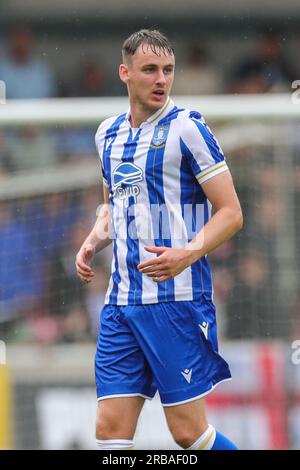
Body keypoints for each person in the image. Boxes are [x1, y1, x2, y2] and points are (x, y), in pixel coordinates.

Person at [75, 29, 243, 451]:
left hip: (175, 300)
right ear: (125, 73)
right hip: (121, 303)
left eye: (168, 70)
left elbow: (232, 213)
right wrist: (94, 240)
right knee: (110, 432)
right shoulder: (106, 135)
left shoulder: (188, 128)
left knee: (188, 433)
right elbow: (115, 206)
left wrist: (185, 254)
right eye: (150, 70)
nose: (161, 79)